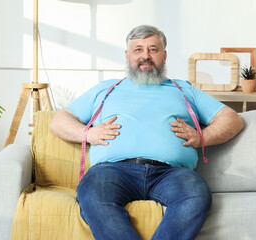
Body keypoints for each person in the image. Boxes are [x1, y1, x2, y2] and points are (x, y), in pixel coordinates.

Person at [50, 25, 244, 240]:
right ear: (127, 55)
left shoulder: (184, 89)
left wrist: (202, 137)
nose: (146, 56)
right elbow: (59, 120)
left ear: (164, 55)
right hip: (112, 171)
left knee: (196, 195)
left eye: (153, 49)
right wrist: (88, 134)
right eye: (138, 50)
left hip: (171, 174)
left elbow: (231, 119)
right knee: (93, 195)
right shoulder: (106, 89)